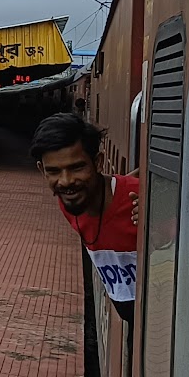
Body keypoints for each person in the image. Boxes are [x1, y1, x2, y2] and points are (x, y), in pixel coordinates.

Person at [30, 112, 138, 323]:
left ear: (97, 162)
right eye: (54, 171)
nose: (66, 181)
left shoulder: (142, 201)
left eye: (76, 167)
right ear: (42, 171)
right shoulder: (69, 202)